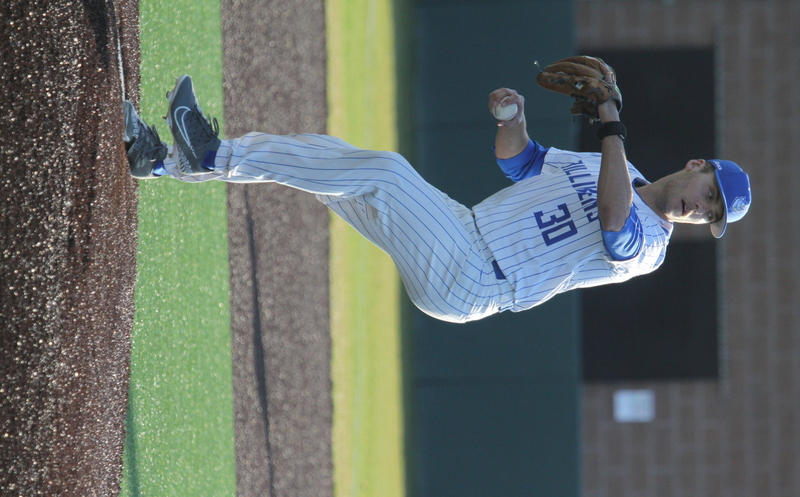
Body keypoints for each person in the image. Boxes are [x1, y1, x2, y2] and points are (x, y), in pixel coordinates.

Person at [122, 75, 752, 324]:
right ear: (697, 166)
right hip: (458, 230)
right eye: (711, 194)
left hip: (475, 278)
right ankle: (163, 162)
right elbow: (520, 164)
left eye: (714, 216)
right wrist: (512, 118)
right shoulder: (610, 162)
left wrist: (612, 123)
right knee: (329, 169)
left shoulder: (652, 251)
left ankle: (211, 153)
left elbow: (616, 221)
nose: (704, 210)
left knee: (387, 172)